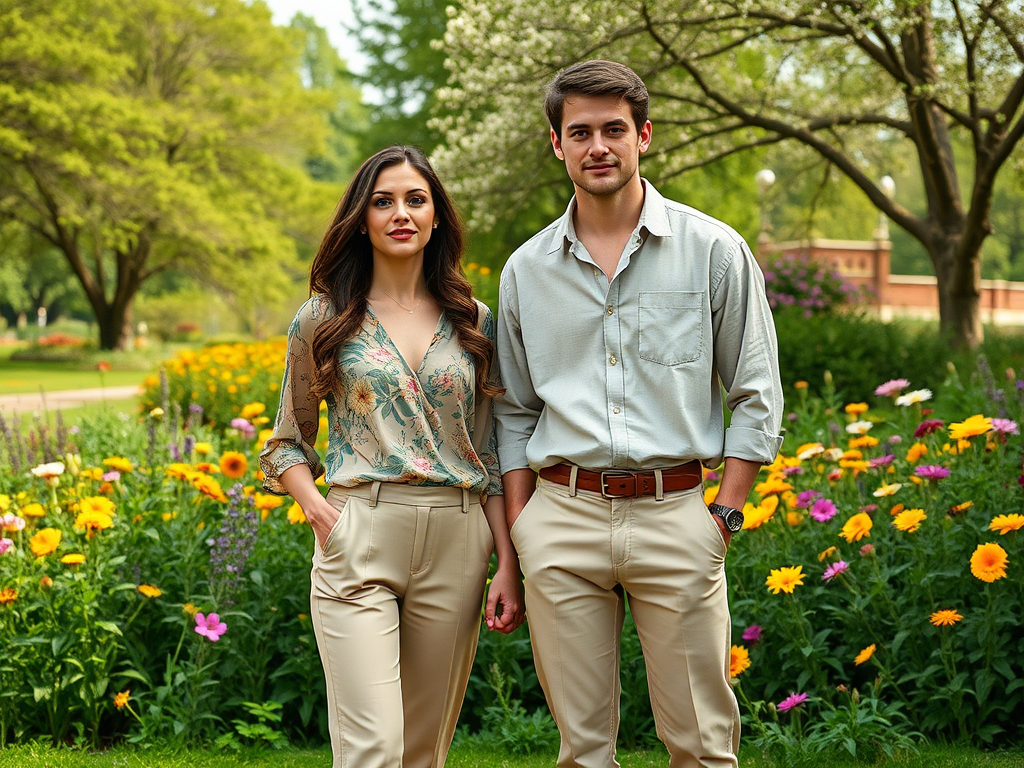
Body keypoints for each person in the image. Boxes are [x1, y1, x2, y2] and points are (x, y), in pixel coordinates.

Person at [494, 61, 784, 768]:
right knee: (582, 749)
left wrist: (725, 515)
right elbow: (514, 414)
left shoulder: (715, 251)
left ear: (644, 136)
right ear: (556, 145)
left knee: (701, 744)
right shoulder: (525, 271)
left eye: (614, 129)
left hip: (678, 515)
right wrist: (525, 529)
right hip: (562, 520)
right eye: (580, 131)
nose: (599, 145)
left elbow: (755, 391)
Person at [259, 145, 524, 768]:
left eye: (415, 199)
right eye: (383, 201)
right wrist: (323, 515)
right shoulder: (323, 319)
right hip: (360, 529)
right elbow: (285, 442)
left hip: (458, 539)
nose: (400, 213)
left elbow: (486, 455)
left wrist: (506, 562)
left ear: (437, 218)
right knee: (371, 748)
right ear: (361, 218)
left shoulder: (474, 323)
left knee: (421, 752)